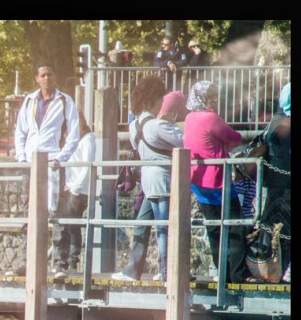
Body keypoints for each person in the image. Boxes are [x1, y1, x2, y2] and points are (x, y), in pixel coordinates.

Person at [12, 61, 80, 276]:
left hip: (52, 162)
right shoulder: (29, 101)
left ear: (55, 76)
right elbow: (20, 131)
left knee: (58, 212)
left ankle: (60, 263)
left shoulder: (65, 100)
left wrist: (61, 157)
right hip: (31, 163)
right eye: (42, 75)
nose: (47, 78)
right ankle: (29, 261)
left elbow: (74, 134)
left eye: (50, 74)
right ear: (36, 79)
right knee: (30, 212)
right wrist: (21, 157)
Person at [112, 82, 185, 282]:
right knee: (164, 227)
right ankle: (167, 271)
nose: (162, 102)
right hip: (163, 180)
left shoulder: (133, 126)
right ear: (153, 100)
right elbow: (185, 140)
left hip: (147, 181)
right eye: (160, 99)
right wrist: (172, 124)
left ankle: (133, 269)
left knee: (142, 224)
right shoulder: (157, 125)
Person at [184, 80, 247, 283]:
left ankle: (222, 273)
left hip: (198, 180)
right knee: (236, 225)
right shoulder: (211, 118)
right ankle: (237, 275)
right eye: (211, 96)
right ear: (203, 98)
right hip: (218, 181)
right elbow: (234, 137)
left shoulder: (189, 118)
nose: (215, 100)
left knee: (213, 228)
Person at [54, 110, 96, 278]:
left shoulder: (88, 139)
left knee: (72, 226)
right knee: (63, 225)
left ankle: (71, 262)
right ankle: (61, 262)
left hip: (78, 189)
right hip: (68, 187)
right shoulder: (71, 139)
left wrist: (75, 189)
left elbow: (87, 165)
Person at [256, 82, 290, 281]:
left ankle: (271, 268)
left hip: (278, 182)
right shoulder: (282, 123)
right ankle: (267, 268)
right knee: (276, 226)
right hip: (282, 183)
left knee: (271, 225)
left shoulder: (277, 119)